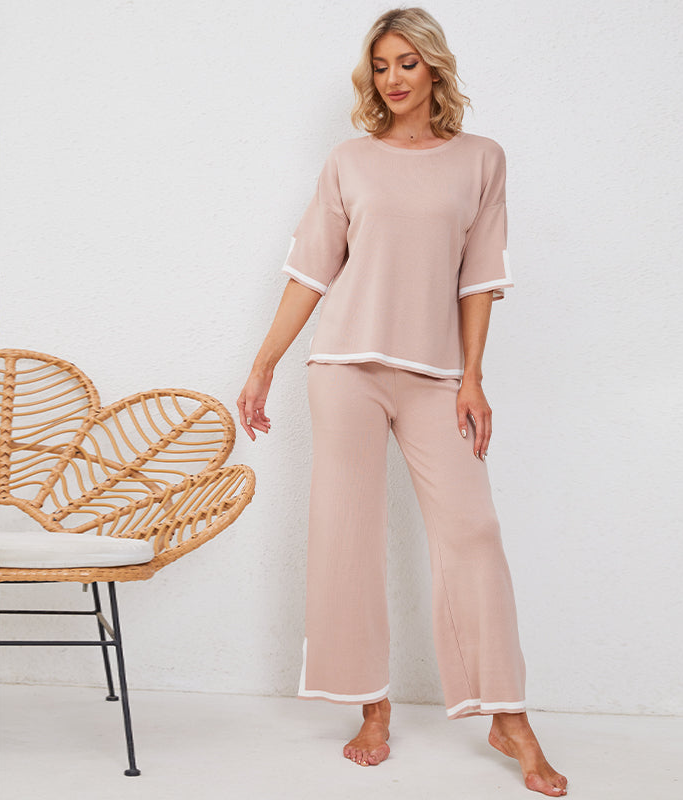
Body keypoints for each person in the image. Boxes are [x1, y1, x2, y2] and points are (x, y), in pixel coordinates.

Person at [238, 7, 568, 796]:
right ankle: (373, 707)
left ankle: (507, 714)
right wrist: (263, 366)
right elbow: (312, 272)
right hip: (343, 367)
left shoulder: (481, 159)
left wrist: (473, 376)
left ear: (434, 69)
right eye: (381, 65)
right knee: (346, 536)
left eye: (407, 63)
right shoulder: (348, 161)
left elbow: (478, 277)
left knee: (474, 531)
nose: (392, 78)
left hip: (435, 375)